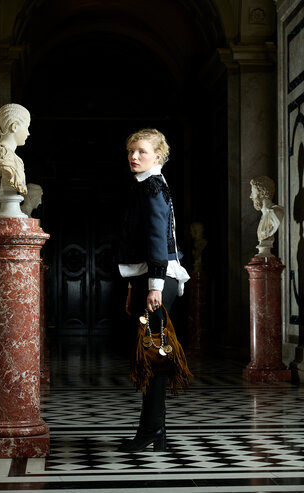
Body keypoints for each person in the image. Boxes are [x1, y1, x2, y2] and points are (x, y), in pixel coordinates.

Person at [116, 128, 191, 452]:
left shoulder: (152, 186)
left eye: (142, 151)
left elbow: (159, 238)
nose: (134, 157)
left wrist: (154, 287)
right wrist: (134, 287)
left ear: (157, 156)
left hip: (159, 280)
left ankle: (150, 431)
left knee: (154, 357)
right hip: (149, 279)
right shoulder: (145, 185)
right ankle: (156, 431)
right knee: (153, 356)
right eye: (131, 151)